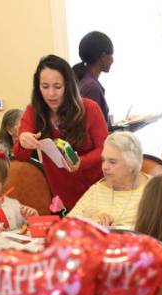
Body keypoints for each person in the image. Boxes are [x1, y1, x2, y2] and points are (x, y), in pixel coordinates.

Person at [14, 54, 108, 211]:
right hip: (61, 194)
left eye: (57, 87)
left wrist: (81, 162)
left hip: (95, 190)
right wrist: (24, 140)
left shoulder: (89, 109)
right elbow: (20, 155)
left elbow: (104, 149)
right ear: (38, 87)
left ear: (68, 86)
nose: (51, 94)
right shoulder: (33, 111)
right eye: (45, 87)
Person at [69, 131, 149, 228]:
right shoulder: (97, 190)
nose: (104, 167)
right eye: (103, 160)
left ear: (132, 164)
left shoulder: (153, 190)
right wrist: (90, 222)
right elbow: (67, 225)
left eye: (112, 162)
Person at [73, 31, 114, 129]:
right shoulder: (91, 87)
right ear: (103, 56)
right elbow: (94, 128)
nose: (112, 60)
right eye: (111, 55)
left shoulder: (83, 80)